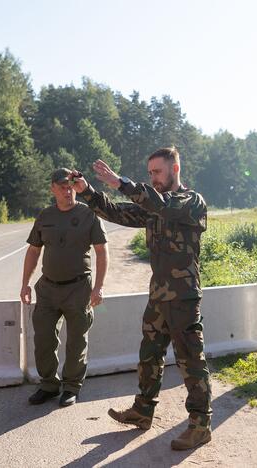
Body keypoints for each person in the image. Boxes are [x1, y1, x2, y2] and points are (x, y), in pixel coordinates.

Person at [73, 147, 212, 450]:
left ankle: (200, 424)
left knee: (191, 359)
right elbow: (116, 212)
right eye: (149, 173)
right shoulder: (154, 205)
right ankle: (143, 411)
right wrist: (88, 191)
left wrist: (122, 182)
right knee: (149, 355)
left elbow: (162, 205)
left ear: (175, 169)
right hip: (159, 294)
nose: (153, 178)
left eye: (157, 172)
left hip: (183, 297)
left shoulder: (191, 202)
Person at [21, 167, 108, 407]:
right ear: (52, 189)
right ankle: (49, 384)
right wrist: (25, 284)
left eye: (70, 186)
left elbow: (101, 251)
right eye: (62, 186)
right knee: (44, 340)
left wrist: (98, 287)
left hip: (78, 288)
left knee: (77, 341)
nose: (67, 191)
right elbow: (33, 250)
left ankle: (71, 387)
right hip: (48, 289)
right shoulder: (45, 216)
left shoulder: (89, 214)